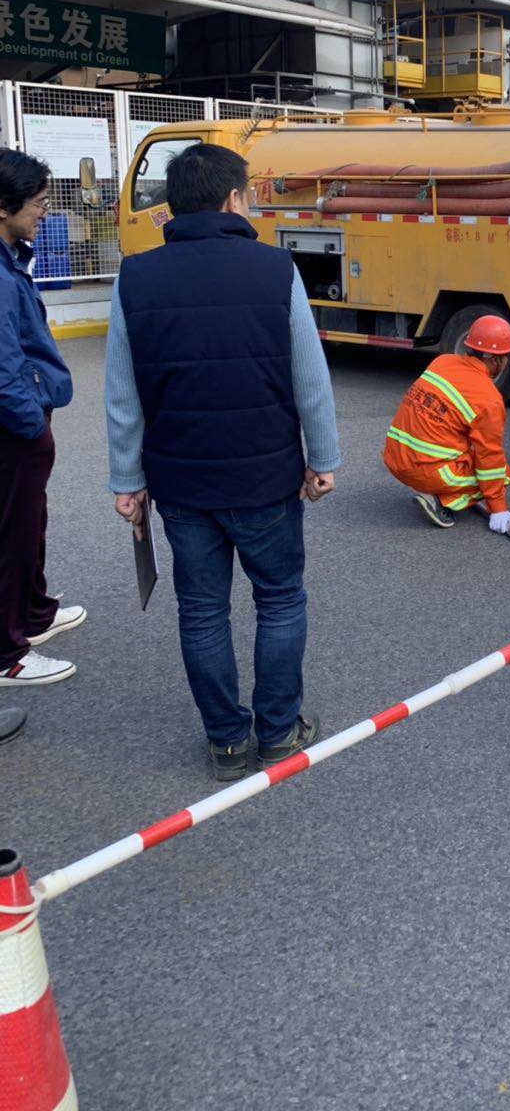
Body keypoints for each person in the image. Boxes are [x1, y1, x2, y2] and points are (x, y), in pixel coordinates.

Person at [106, 142, 340, 783]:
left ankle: (228, 742)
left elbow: (123, 393)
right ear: (234, 198)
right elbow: (309, 378)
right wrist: (322, 459)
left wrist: (127, 480)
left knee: (203, 609)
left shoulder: (136, 275)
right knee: (281, 599)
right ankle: (278, 730)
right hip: (265, 480)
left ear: (173, 207)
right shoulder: (275, 269)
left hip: (181, 485)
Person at [0, 148, 84, 690]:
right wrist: (32, 423)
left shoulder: (11, 259)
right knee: (11, 532)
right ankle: (7, 653)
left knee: (29, 523)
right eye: (37, 203)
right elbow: (3, 367)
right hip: (13, 427)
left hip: (24, 421)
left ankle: (33, 614)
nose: (44, 212)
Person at [384, 315, 510, 531]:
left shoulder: (442, 361)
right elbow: (489, 457)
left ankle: (440, 488)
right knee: (503, 474)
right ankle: (440, 499)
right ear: (496, 360)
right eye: (507, 356)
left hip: (394, 456)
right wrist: (498, 508)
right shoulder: (488, 398)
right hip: (426, 469)